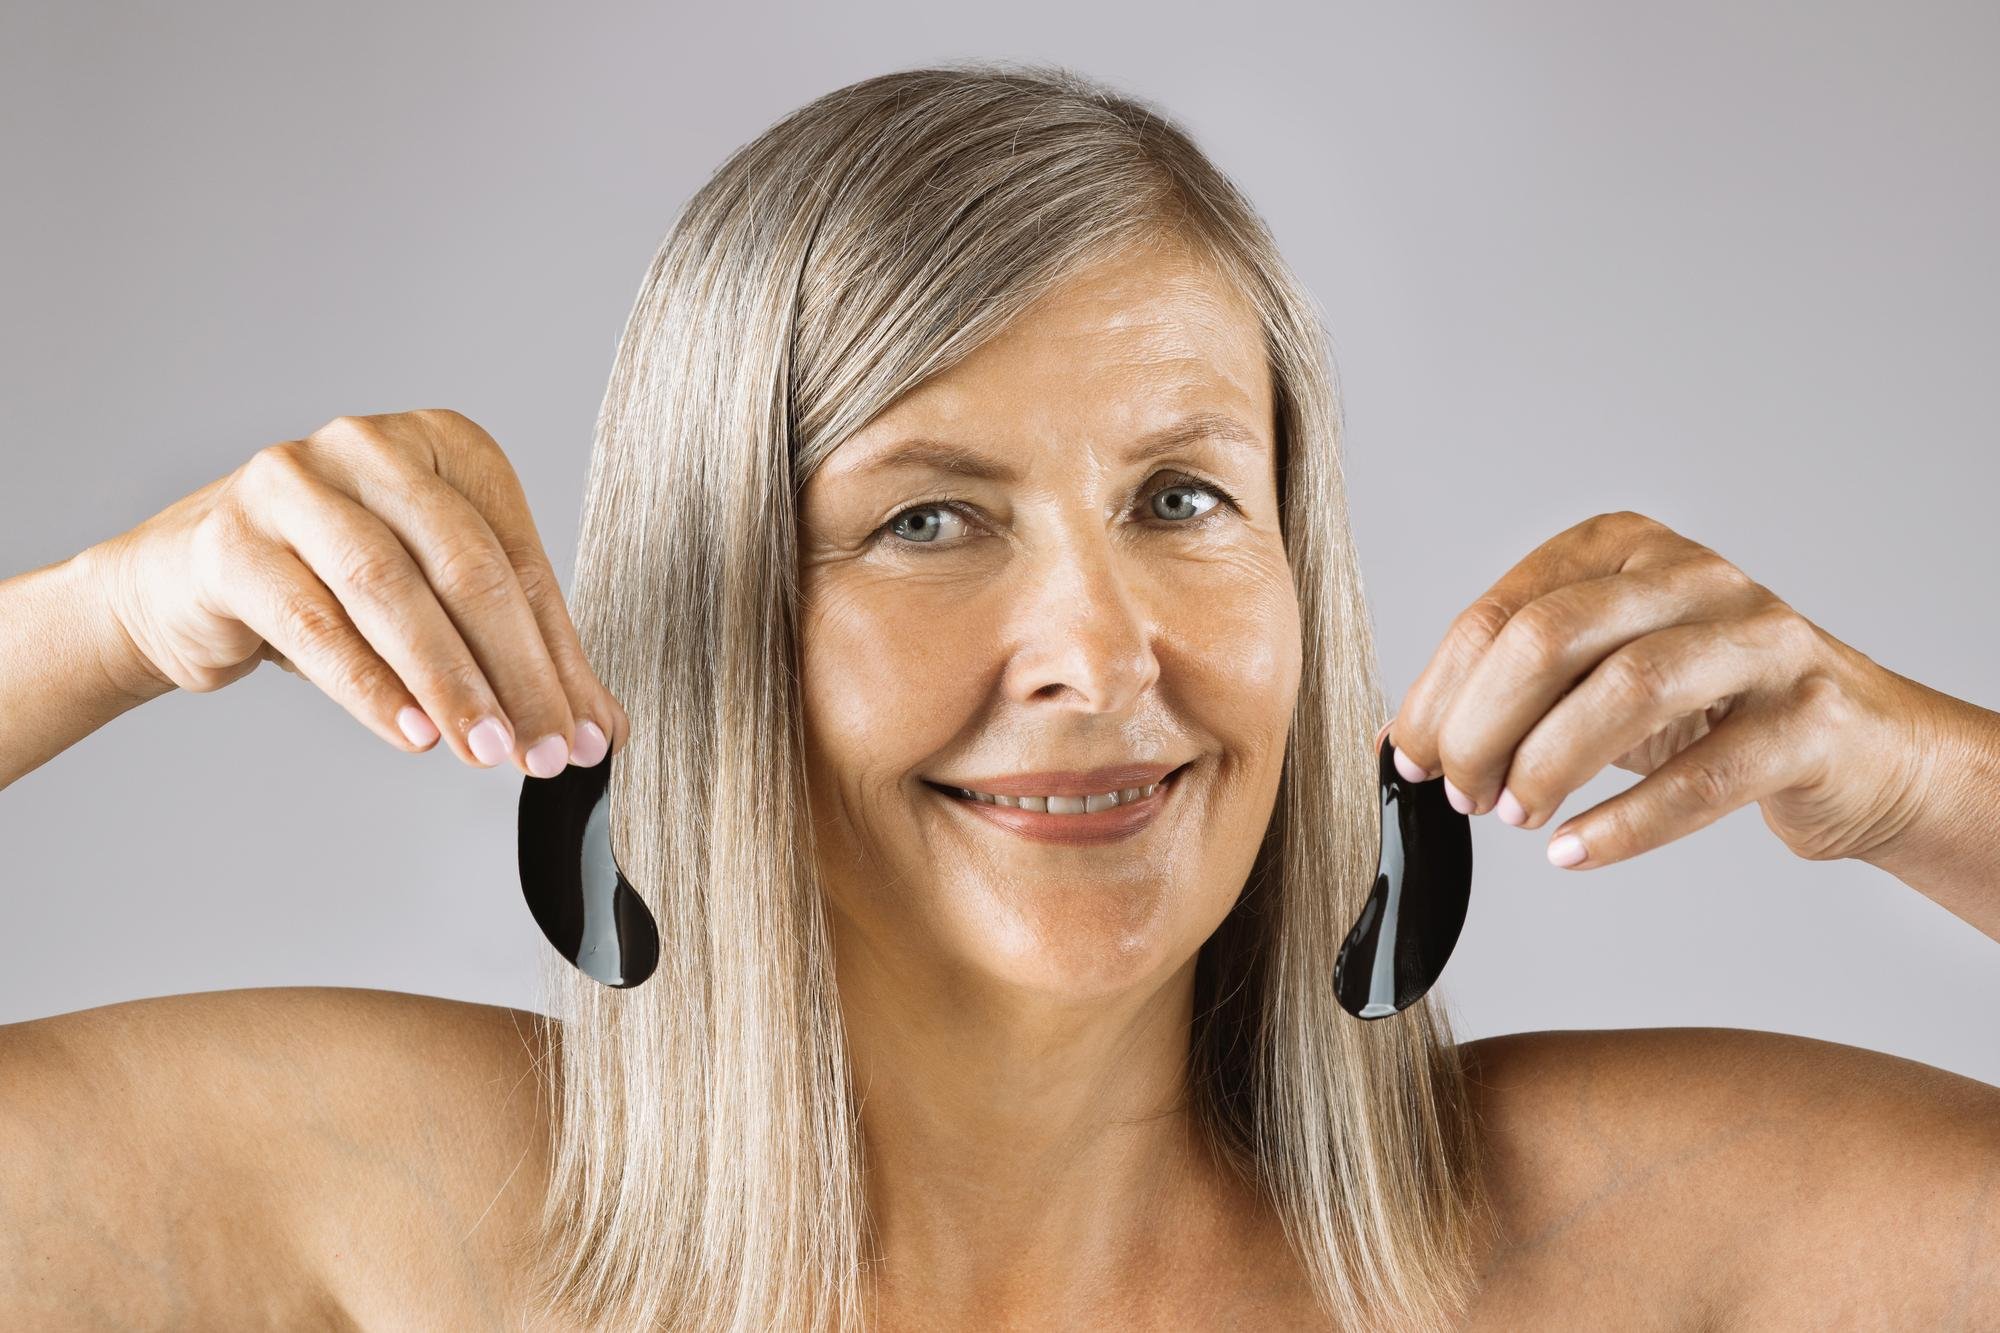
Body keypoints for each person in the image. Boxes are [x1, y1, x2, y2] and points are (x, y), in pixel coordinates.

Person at [1, 60, 1995, 1331]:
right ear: (716, 623)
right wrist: (104, 616)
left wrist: (1915, 772)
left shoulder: (1634, 1227)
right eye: (932, 519)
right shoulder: (369, 1202)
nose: (1101, 656)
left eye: (1183, 497)